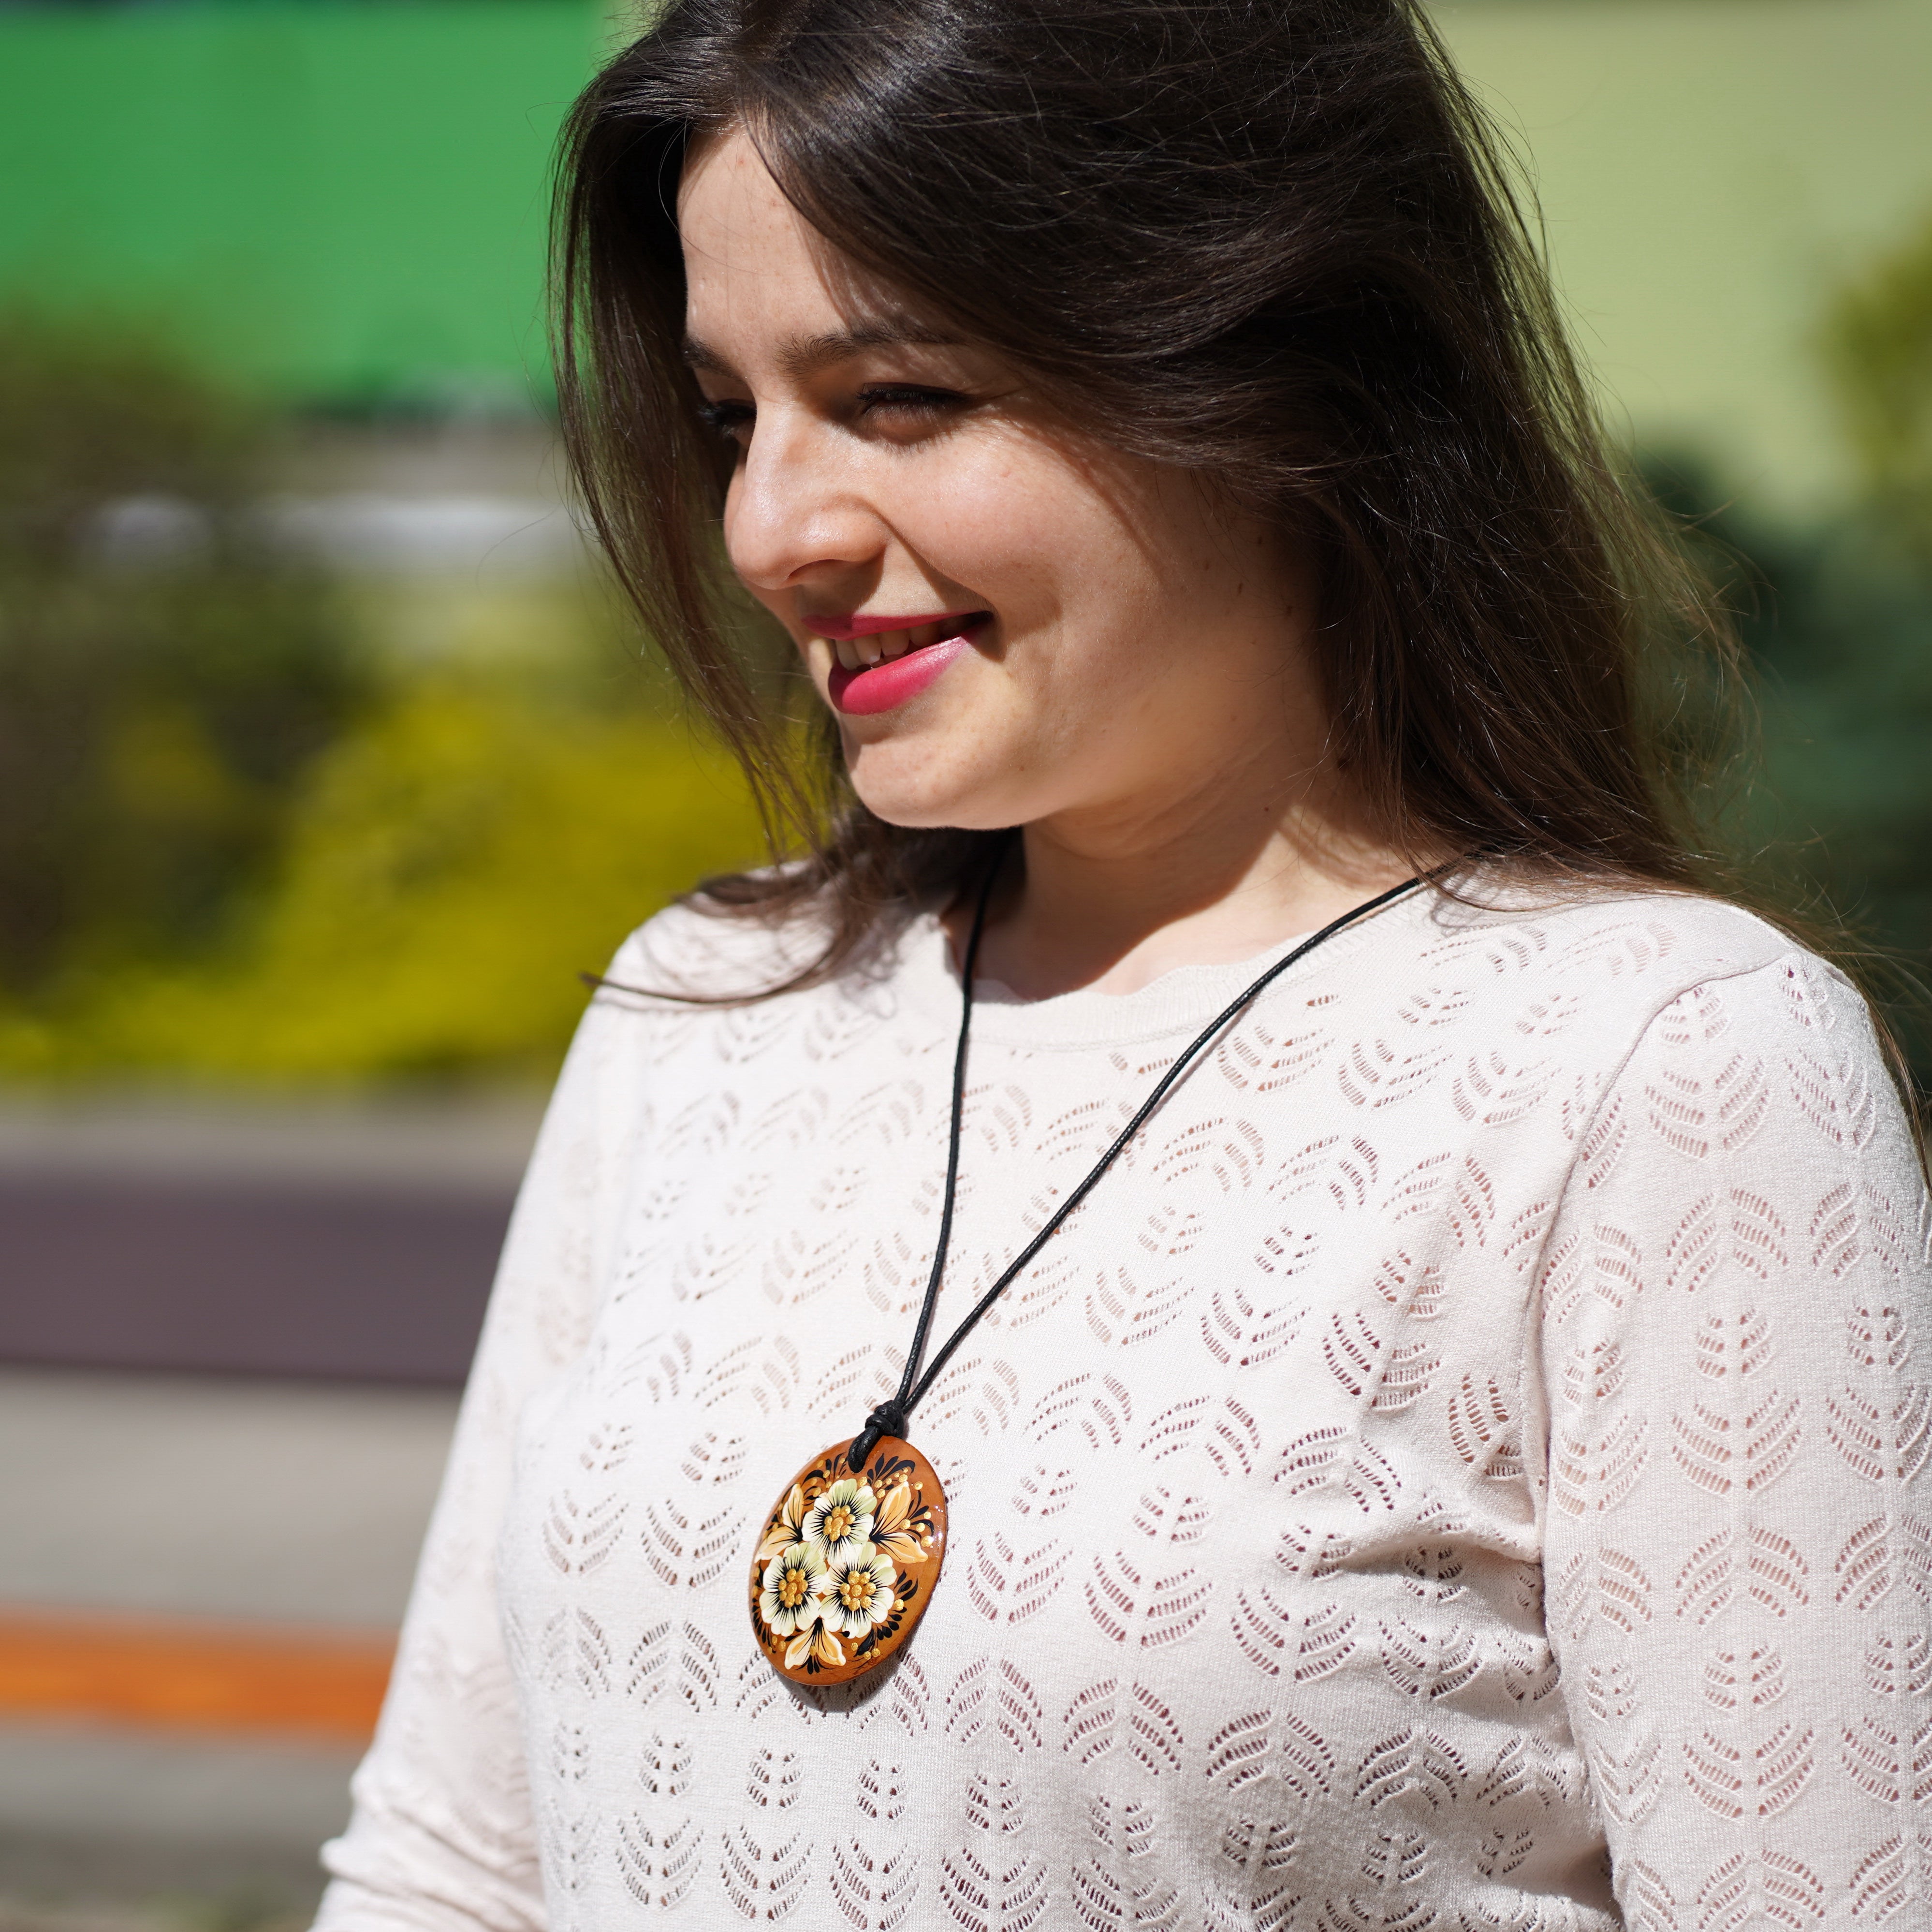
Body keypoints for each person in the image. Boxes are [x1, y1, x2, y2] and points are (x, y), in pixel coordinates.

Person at [315, 0, 1932, 1925]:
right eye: (735, 418)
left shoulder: (1657, 1070)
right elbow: (454, 1868)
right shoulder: (703, 1009)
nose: (771, 531)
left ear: (1288, 378)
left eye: (901, 398)